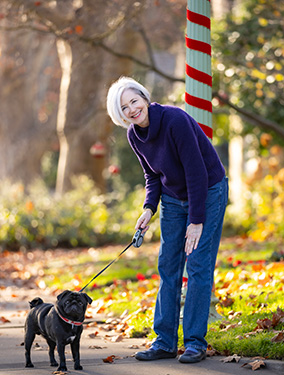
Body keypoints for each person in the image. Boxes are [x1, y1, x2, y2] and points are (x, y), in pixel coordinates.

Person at [106, 76, 228, 364]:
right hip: (173, 199)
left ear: (145, 98)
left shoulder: (175, 120)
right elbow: (152, 176)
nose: (133, 109)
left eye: (134, 101)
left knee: (197, 264)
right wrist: (149, 209)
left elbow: (196, 171)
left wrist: (196, 221)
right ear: (120, 115)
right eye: (125, 108)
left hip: (207, 191)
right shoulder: (135, 136)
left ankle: (195, 342)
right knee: (168, 266)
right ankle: (164, 341)